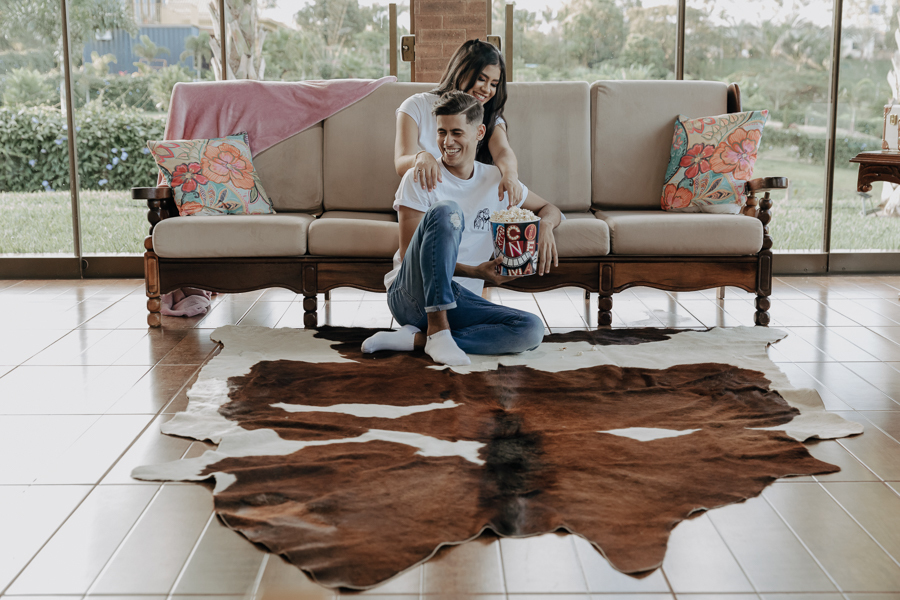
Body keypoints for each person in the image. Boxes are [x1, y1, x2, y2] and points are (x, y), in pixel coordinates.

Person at [362, 91, 562, 366]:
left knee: (530, 329)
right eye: (441, 132)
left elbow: (549, 208)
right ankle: (438, 330)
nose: (447, 142)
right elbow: (411, 255)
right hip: (410, 295)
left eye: (457, 132)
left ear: (480, 132)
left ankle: (417, 340)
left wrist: (547, 227)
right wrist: (476, 272)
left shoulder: (495, 180)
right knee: (447, 210)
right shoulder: (419, 177)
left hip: (459, 297)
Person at [395, 39, 522, 208]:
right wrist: (422, 157)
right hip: (424, 204)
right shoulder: (415, 106)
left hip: (469, 207)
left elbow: (503, 152)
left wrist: (510, 175)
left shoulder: (490, 117)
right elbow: (401, 162)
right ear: (462, 71)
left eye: (493, 84)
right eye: (481, 79)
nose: (486, 89)